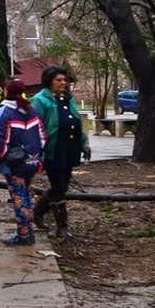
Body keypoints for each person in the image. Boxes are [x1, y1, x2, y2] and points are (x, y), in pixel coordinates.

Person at [30, 66, 91, 241]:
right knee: (58, 187)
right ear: (49, 81)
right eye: (59, 80)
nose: (63, 83)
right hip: (53, 149)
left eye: (65, 80)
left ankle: (38, 211)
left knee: (63, 186)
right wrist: (37, 151)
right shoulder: (40, 100)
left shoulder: (67, 99)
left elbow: (77, 121)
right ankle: (62, 227)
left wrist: (84, 144)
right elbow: (35, 126)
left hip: (69, 148)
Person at [0, 78, 44, 245]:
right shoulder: (30, 110)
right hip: (32, 161)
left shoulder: (4, 111)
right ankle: (27, 231)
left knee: (19, 196)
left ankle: (24, 234)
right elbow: (42, 136)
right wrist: (39, 158)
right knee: (25, 193)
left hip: (14, 163)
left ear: (5, 91)